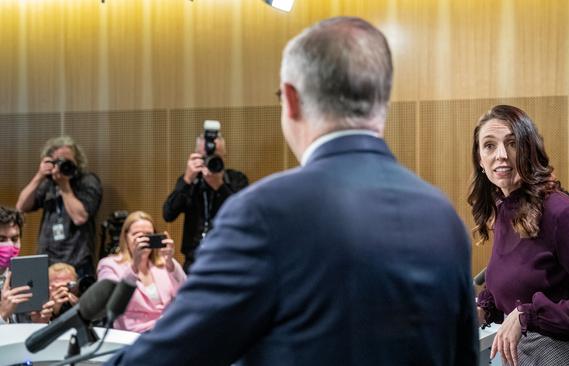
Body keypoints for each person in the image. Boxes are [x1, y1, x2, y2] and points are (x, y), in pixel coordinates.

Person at [106, 16, 477, 365]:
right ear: (382, 102)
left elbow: (171, 356)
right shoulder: (443, 217)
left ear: (291, 98)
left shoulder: (263, 213)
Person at [471, 105, 569, 366]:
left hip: (559, 356)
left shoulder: (561, 213)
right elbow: (522, 284)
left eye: (513, 143)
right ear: (481, 161)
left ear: (529, 150)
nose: (502, 155)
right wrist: (485, 309)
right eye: (489, 146)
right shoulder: (505, 209)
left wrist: (528, 315)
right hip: (521, 357)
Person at [16, 135, 103, 278]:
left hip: (77, 261)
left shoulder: (87, 181)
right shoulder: (49, 183)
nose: (63, 166)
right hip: (46, 261)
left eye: (68, 162)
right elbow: (21, 207)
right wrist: (39, 175)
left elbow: (80, 217)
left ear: (77, 162)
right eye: (58, 162)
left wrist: (65, 186)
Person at [163, 132, 248, 272]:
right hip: (194, 263)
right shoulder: (189, 181)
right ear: (196, 156)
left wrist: (219, 186)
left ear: (224, 157)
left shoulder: (237, 179)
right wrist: (187, 180)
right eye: (205, 157)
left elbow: (244, 214)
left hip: (229, 261)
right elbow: (168, 214)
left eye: (216, 157)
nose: (210, 161)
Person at [97, 211, 186, 333]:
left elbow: (187, 292)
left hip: (168, 329)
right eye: (137, 235)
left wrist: (170, 262)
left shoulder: (164, 263)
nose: (143, 239)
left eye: (148, 235)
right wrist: (135, 265)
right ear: (126, 237)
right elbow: (112, 300)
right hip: (132, 335)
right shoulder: (109, 265)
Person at [0, 206, 55, 324]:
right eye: (1, 239)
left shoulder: (24, 277)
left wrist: (39, 323)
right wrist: (2, 316)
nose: (10, 245)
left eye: (15, 239)